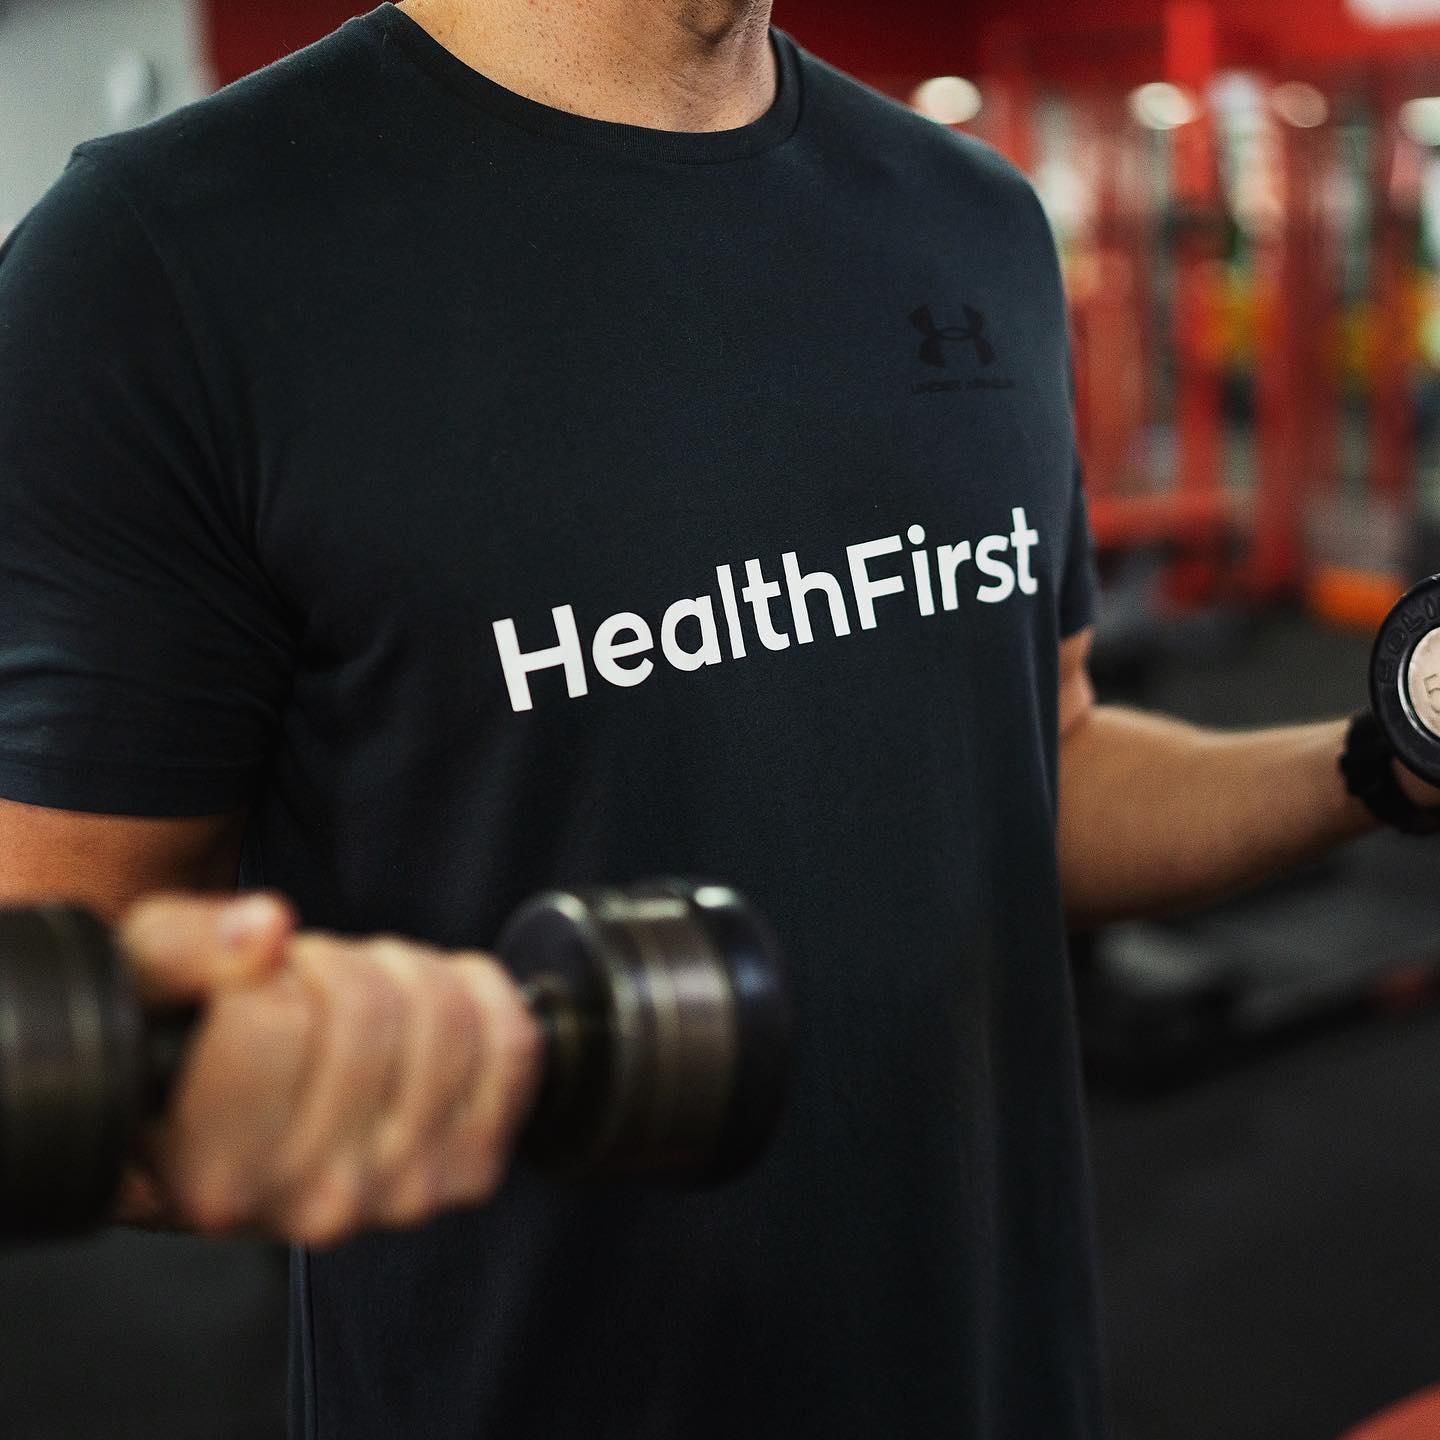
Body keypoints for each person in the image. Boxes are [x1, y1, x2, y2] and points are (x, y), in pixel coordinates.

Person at [0, 2, 1435, 1436]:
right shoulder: (162, 266)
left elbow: (1043, 771)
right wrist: (286, 1094)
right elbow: (61, 1033)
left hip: (1007, 1377)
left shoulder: (972, 222)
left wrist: (1384, 751)